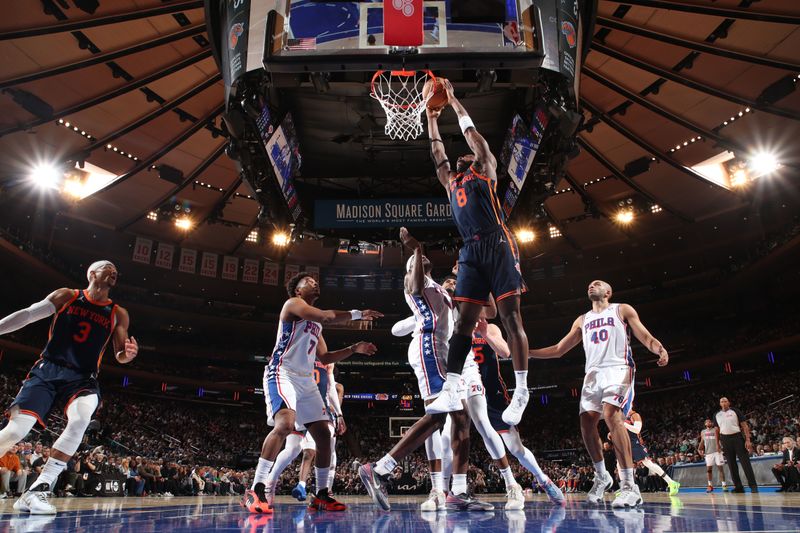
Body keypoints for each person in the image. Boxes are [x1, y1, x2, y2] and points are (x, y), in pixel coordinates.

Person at [360, 228, 491, 512]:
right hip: (428, 349)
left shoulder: (439, 286)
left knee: (459, 416)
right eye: (420, 260)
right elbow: (415, 286)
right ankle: (380, 469)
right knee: (441, 415)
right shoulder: (415, 281)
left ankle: (457, 491)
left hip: (441, 351)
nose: (426, 259)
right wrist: (416, 249)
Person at [425, 82, 531, 426]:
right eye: (460, 158)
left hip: (497, 242)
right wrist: (431, 117)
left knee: (511, 318)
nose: (461, 156)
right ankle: (452, 386)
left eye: (465, 155)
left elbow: (472, 136)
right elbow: (437, 153)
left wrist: (453, 100)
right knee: (463, 323)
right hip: (470, 247)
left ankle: (522, 389)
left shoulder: (484, 168)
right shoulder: (451, 181)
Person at [0, 260, 137, 514]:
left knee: (81, 418)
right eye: (108, 267)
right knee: (15, 431)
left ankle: (38, 490)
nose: (114, 271)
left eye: (116, 270)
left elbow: (120, 353)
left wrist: (127, 356)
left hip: (83, 378)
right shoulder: (67, 296)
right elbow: (29, 314)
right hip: (48, 370)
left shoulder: (119, 312)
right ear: (93, 273)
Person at [244, 272, 380, 514]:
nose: (315, 284)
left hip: (306, 381)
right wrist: (358, 314)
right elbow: (327, 316)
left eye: (317, 282)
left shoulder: (315, 325)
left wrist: (353, 348)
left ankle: (322, 495)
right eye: (309, 282)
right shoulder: (293, 305)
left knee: (324, 437)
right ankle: (257, 488)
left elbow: (325, 358)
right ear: (297, 290)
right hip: (282, 372)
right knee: (285, 424)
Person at [529, 280, 669, 507]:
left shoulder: (622, 309)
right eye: (589, 285)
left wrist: (659, 349)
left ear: (608, 292)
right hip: (593, 374)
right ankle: (602, 475)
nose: (591, 286)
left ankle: (629, 486)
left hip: (618, 368)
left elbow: (644, 335)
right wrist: (527, 353)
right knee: (586, 423)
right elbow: (558, 349)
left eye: (597, 284)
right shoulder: (582, 319)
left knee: (612, 414)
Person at [263, 359, 343, 502]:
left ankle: (323, 492)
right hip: (299, 403)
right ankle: (269, 483)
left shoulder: (327, 361)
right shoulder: (298, 352)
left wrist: (338, 413)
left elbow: (331, 389)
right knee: (293, 449)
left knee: (324, 447)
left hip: (319, 407)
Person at [611, 410, 680, 495]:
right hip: (624, 444)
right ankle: (625, 488)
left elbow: (637, 430)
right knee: (619, 464)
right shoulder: (620, 417)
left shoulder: (634, 415)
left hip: (634, 444)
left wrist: (623, 424)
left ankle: (671, 483)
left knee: (648, 464)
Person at [715, 397, 758, 493]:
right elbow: (717, 430)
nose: (724, 403)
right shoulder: (717, 415)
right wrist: (717, 444)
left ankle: (753, 486)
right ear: (720, 404)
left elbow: (744, 426)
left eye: (725, 401)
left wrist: (747, 440)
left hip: (737, 438)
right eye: (722, 401)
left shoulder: (735, 411)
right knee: (731, 465)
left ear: (729, 402)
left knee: (745, 463)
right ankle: (738, 487)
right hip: (725, 440)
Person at [698, 418, 728, 492]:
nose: (708, 422)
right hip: (708, 452)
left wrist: (721, 447)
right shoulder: (703, 432)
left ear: (712, 423)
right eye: (707, 422)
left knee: (720, 469)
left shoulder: (716, 429)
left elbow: (720, 438)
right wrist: (699, 449)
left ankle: (724, 485)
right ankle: (710, 485)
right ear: (705, 424)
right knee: (709, 470)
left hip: (717, 452)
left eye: (710, 421)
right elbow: (702, 441)